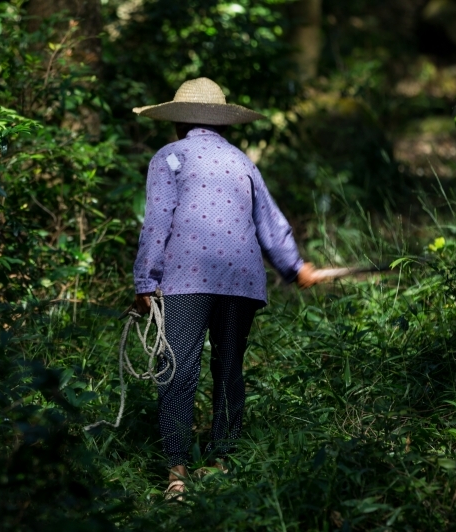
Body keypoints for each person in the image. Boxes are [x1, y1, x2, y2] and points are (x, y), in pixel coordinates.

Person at [131, 77, 324, 497]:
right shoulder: (242, 161)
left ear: (177, 122)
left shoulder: (169, 157)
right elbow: (269, 223)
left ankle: (177, 473)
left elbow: (157, 223)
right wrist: (295, 267)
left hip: (187, 278)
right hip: (241, 278)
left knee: (177, 370)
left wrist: (146, 280)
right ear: (222, 123)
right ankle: (221, 461)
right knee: (228, 369)